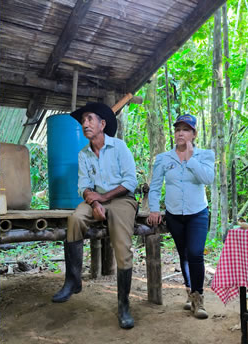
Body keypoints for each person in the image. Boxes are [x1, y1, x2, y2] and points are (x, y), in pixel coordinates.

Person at [51, 102, 139, 329]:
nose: (85, 124)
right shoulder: (84, 154)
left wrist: (103, 199)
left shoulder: (119, 148)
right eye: (83, 121)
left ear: (102, 124)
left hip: (121, 200)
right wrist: (93, 200)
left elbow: (130, 182)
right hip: (96, 200)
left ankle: (123, 305)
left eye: (90, 119)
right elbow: (83, 186)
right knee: (75, 219)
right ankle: (73, 281)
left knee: (121, 245)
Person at [147, 114, 215, 319]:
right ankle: (190, 294)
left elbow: (208, 179)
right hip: (174, 214)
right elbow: (156, 186)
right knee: (183, 254)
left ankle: (199, 299)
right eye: (178, 129)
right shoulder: (163, 159)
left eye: (186, 129)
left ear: (194, 134)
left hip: (198, 213)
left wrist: (190, 158)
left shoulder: (205, 155)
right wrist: (154, 209)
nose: (180, 133)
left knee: (195, 253)